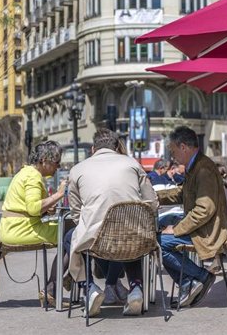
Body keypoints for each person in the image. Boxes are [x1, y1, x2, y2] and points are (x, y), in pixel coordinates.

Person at [68, 129, 158, 317]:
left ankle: (90, 288)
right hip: (133, 236)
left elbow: (75, 213)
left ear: (93, 149)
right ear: (116, 147)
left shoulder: (77, 170)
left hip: (96, 239)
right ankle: (135, 288)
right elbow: (152, 202)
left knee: (71, 239)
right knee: (130, 238)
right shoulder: (132, 163)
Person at [158, 126, 227, 308]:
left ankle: (200, 278)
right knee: (160, 240)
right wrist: (156, 196)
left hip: (207, 232)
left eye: (173, 151)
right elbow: (183, 194)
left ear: (183, 147)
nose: (173, 156)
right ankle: (189, 284)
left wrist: (177, 228)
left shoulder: (203, 169)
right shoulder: (195, 166)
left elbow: (205, 209)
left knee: (159, 244)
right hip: (203, 227)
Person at [0, 141, 67, 306]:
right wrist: (59, 194)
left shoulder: (26, 172)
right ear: (44, 160)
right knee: (72, 234)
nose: (58, 167)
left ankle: (64, 278)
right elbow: (33, 207)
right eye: (56, 162)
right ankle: (54, 286)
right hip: (20, 230)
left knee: (70, 233)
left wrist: (46, 208)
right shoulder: (33, 176)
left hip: (14, 227)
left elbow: (30, 207)